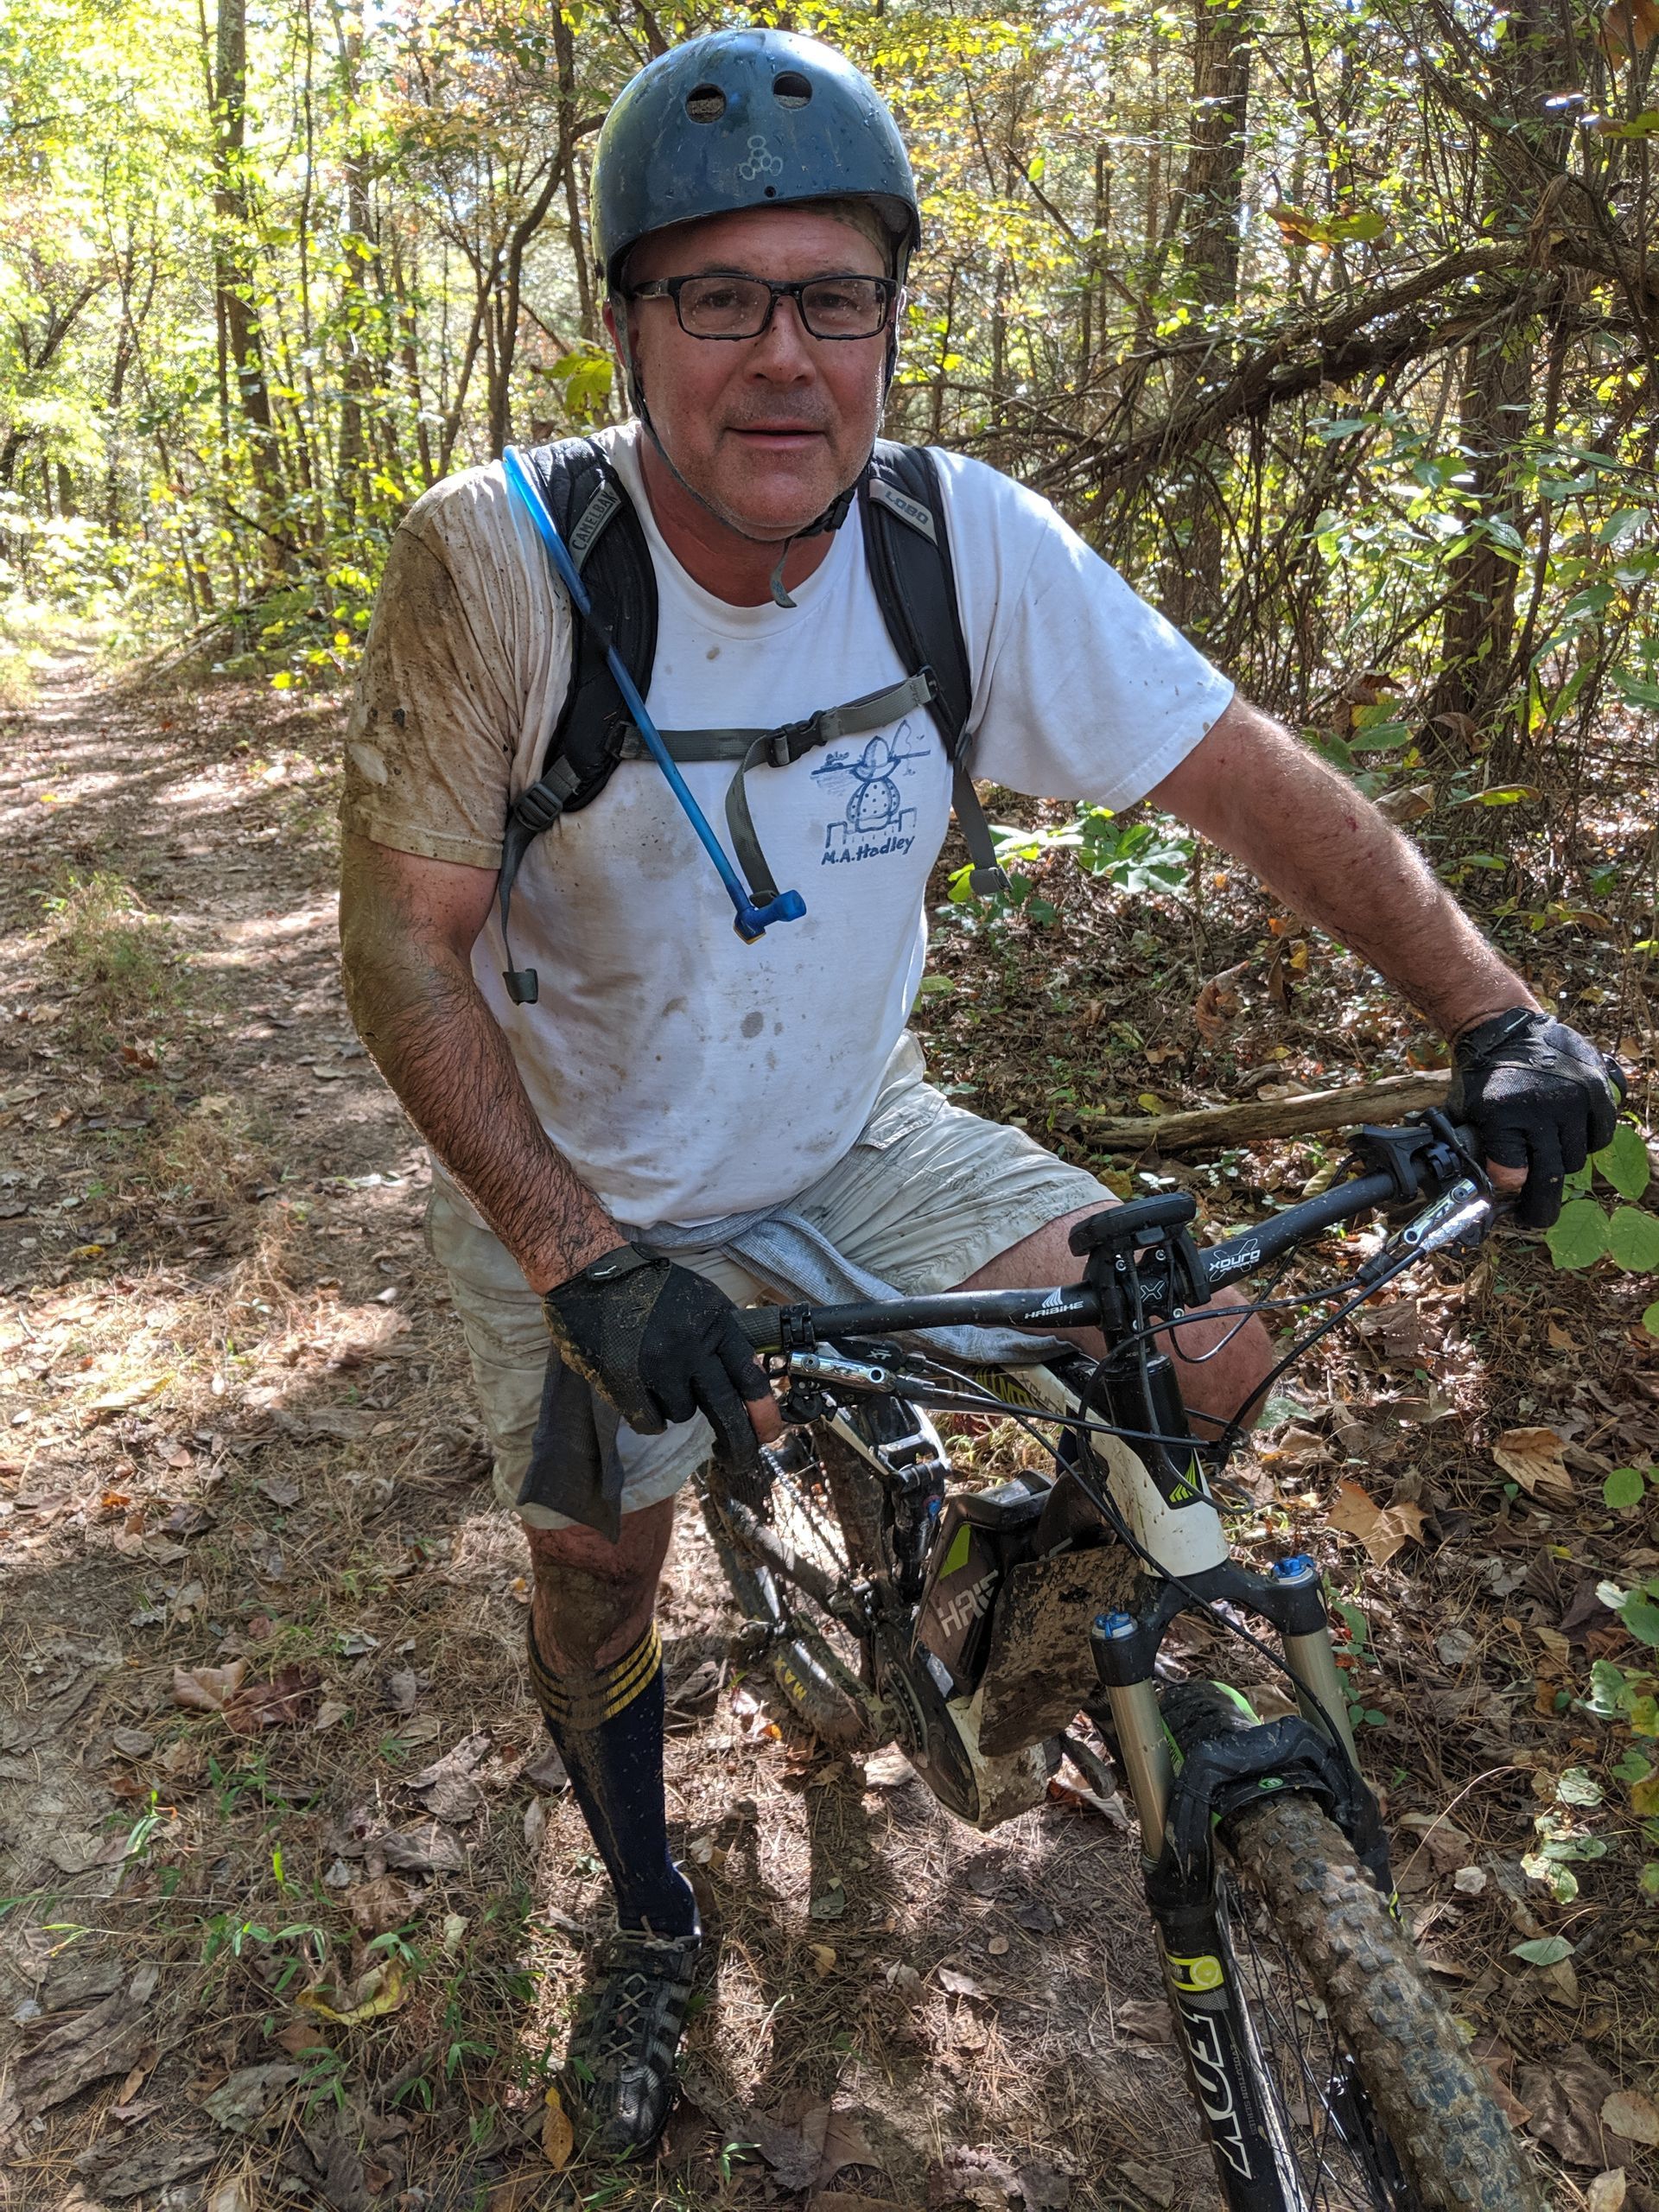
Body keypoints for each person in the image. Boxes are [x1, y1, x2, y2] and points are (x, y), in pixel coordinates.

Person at [337, 27, 1620, 2156]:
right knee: (600, 1560)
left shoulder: (958, 543)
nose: (782, 360)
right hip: (593, 1181)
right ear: (630, 323)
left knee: (1196, 1352)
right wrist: (580, 1255)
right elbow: (401, 942)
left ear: (890, 321)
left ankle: (971, 1632)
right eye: (718, 299)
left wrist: (1496, 1009)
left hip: (857, 1124)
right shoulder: (501, 562)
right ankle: (653, 1911)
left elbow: (1243, 775)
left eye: (832, 298)